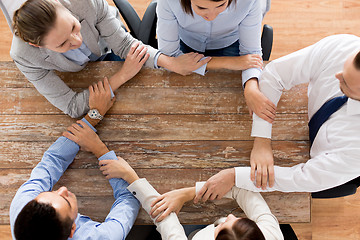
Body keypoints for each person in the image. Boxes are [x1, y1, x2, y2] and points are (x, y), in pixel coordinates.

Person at [193, 34, 360, 201]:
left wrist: (234, 176)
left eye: (345, 82)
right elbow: (274, 74)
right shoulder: (344, 47)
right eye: (344, 69)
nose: (337, 75)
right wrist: (262, 140)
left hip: (327, 164)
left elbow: (303, 179)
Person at [11, 0, 210, 118]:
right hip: (85, 73)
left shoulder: (83, 3)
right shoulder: (25, 56)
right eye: (62, 44)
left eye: (73, 26)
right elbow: (71, 106)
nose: (77, 40)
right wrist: (122, 75)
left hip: (108, 44)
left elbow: (124, 46)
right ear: (37, 46)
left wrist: (172, 63)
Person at [9, 79, 142, 240]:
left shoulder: (23, 209)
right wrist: (100, 150)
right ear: (73, 229)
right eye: (66, 201)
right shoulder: (102, 237)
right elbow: (129, 198)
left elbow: (53, 160)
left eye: (52, 192)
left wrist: (94, 116)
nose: (63, 188)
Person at [98, 158, 283, 240]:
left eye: (222, 227)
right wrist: (187, 193)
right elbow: (243, 190)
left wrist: (130, 176)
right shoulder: (270, 234)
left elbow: (166, 221)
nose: (230, 217)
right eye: (237, 219)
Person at [156, 0, 277, 123]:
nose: (212, 17)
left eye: (221, 5)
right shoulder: (168, 2)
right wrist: (228, 62)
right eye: (201, 8)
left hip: (230, 41)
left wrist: (251, 87)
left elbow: (251, 54)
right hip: (186, 41)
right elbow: (170, 58)